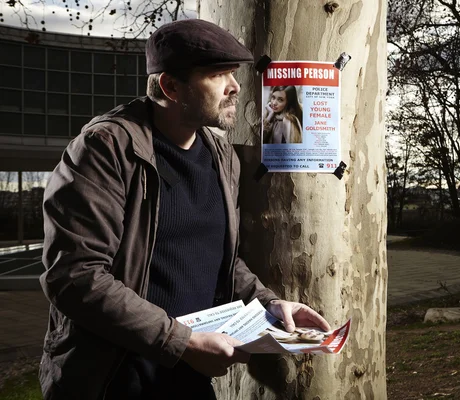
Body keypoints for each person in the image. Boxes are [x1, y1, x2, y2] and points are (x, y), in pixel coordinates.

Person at [38, 19, 330, 400]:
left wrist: (270, 304)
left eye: (233, 73)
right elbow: (75, 276)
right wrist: (183, 342)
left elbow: (218, 258)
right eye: (217, 74)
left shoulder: (220, 154)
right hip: (111, 378)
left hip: (187, 374)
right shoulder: (105, 148)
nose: (235, 86)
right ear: (170, 86)